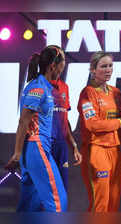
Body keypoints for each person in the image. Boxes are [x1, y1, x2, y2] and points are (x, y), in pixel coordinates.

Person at [5, 46, 67, 212]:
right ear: (53, 65)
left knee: (29, 205)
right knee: (58, 202)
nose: (63, 68)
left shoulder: (43, 86)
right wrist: (17, 154)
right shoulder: (38, 88)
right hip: (36, 147)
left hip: (36, 149)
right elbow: (23, 122)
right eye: (63, 63)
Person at [77, 52, 121, 212]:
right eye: (103, 66)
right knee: (100, 204)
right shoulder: (88, 93)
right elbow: (92, 125)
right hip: (96, 150)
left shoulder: (116, 93)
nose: (108, 70)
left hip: (115, 152)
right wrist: (118, 122)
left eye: (110, 66)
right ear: (93, 70)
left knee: (113, 204)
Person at [48, 45, 82, 191]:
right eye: (61, 59)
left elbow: (64, 119)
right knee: (46, 190)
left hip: (61, 146)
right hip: (44, 144)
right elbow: (26, 120)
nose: (64, 63)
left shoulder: (64, 87)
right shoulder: (38, 85)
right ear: (52, 64)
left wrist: (74, 146)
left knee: (62, 189)